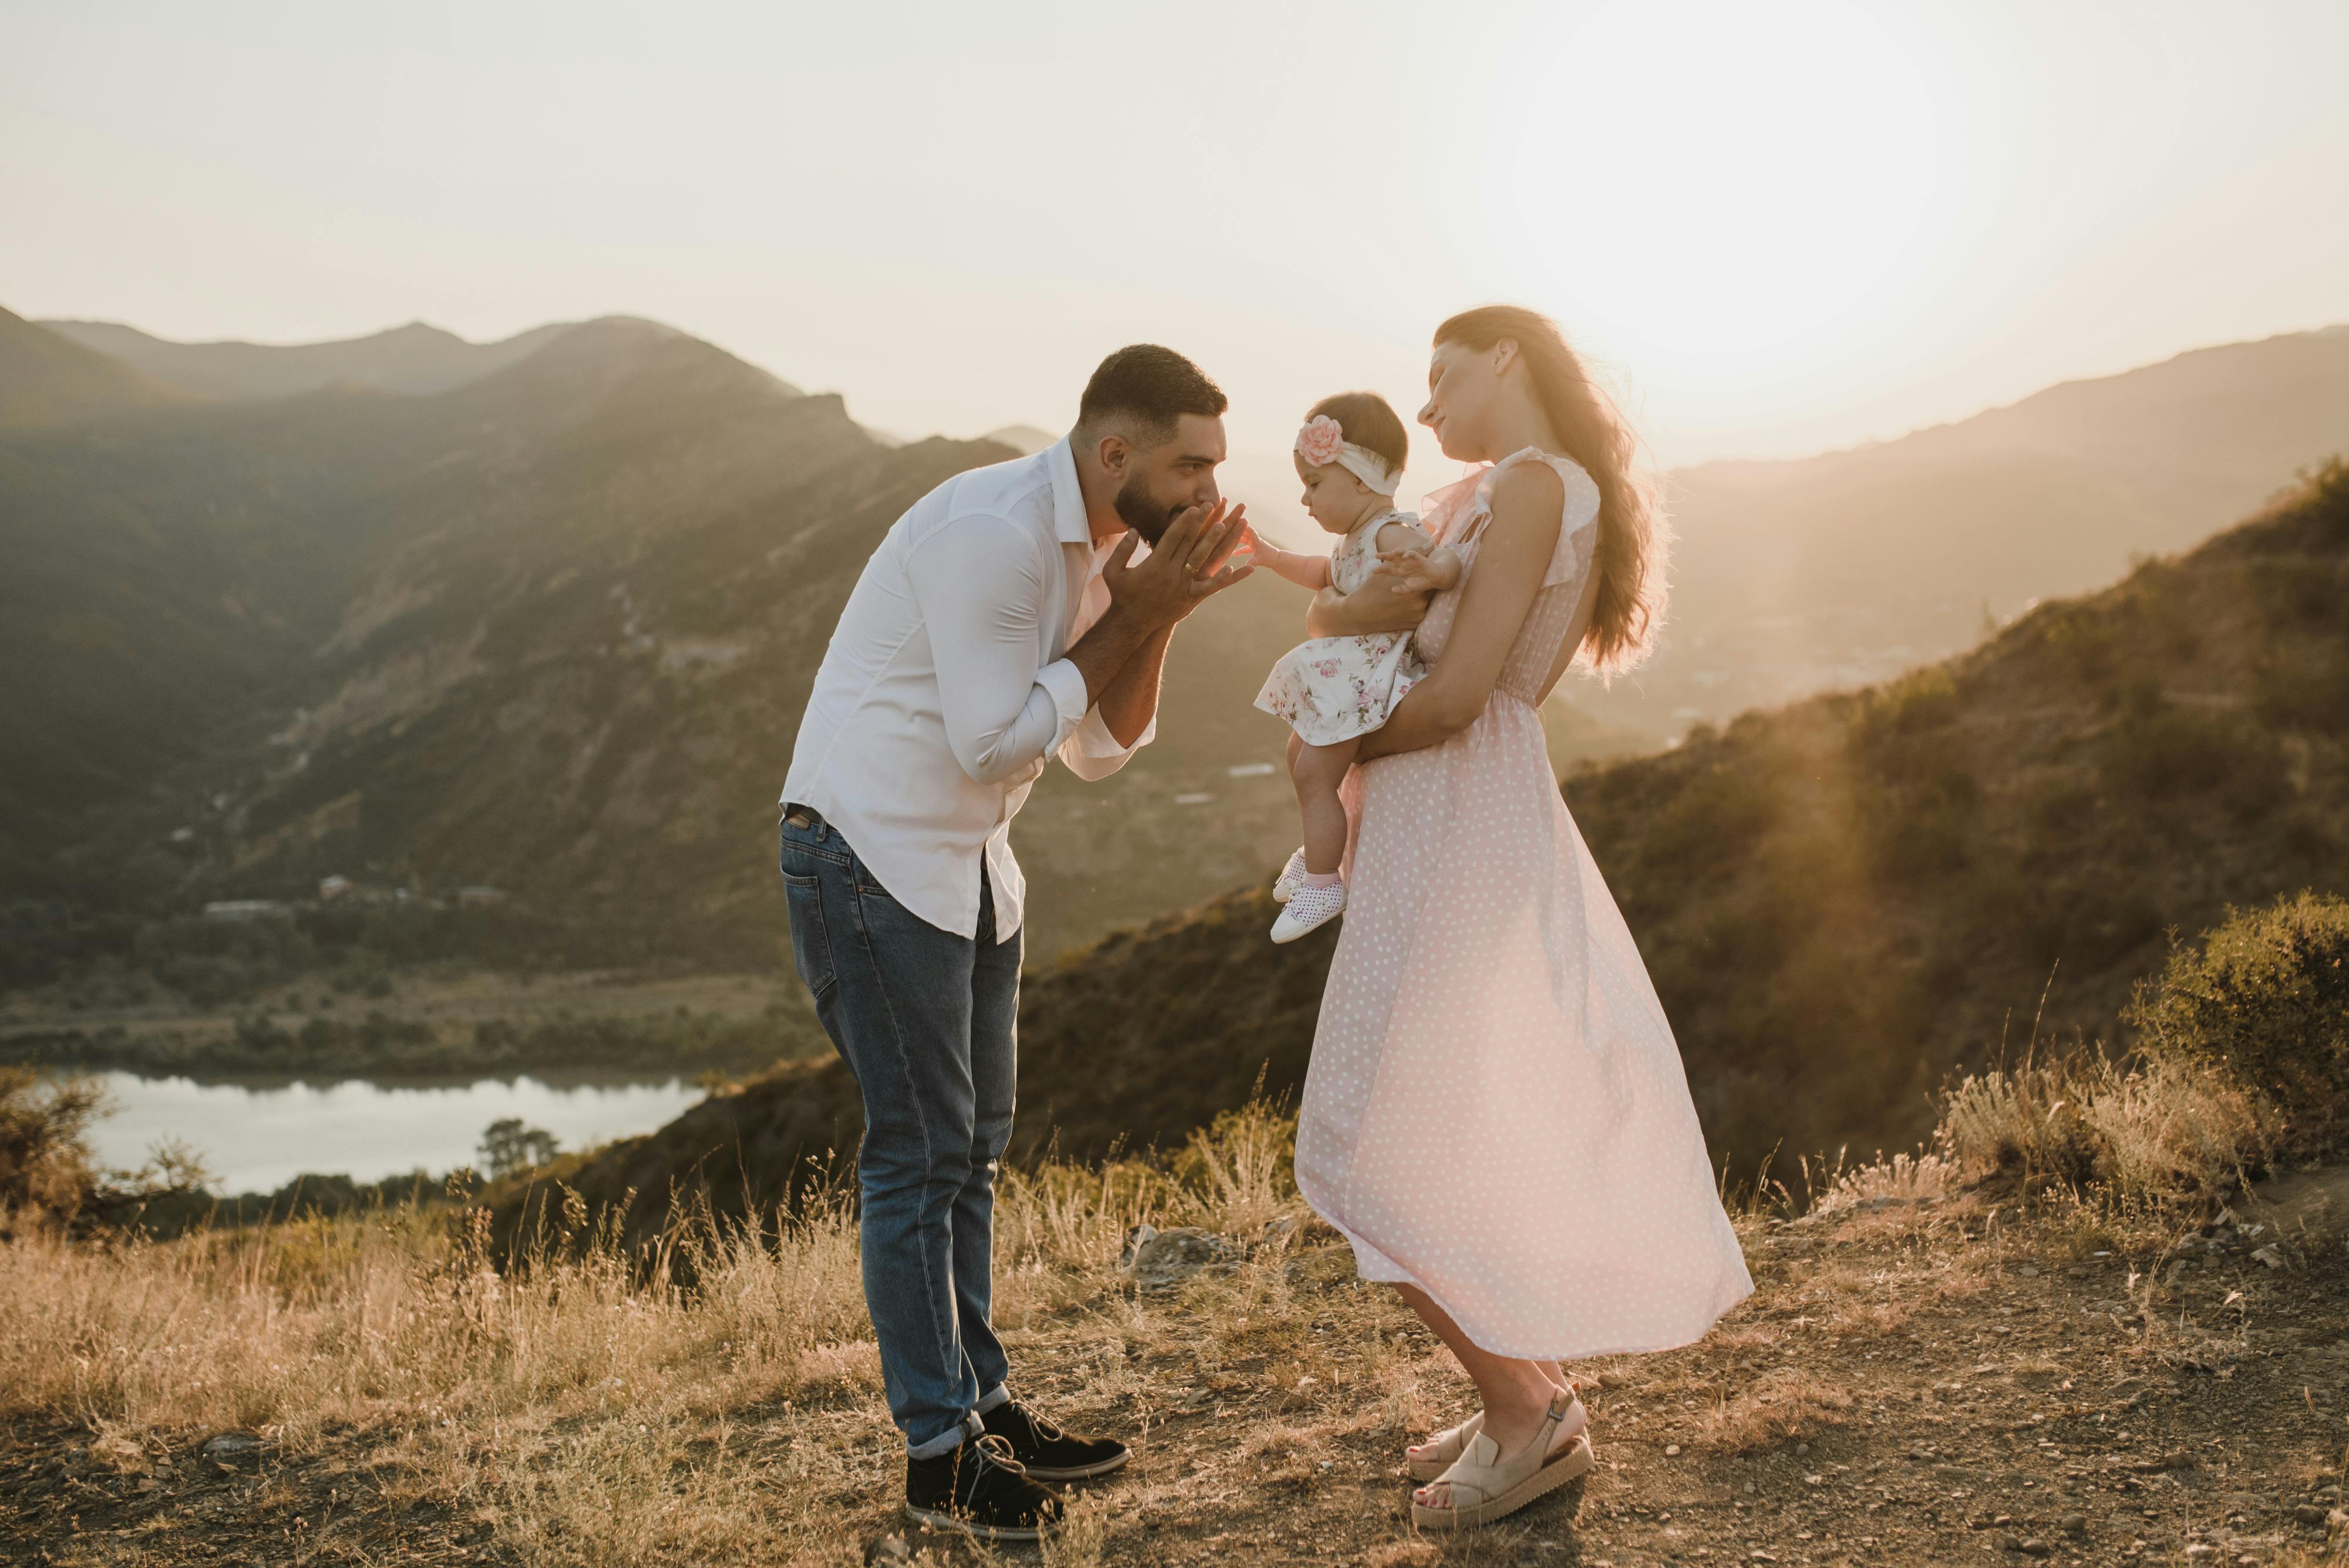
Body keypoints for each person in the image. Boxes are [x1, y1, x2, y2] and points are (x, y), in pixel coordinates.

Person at [778, 345, 1252, 1542]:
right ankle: (937, 1459)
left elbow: (1103, 742)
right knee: (914, 1153)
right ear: (1113, 454)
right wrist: (1134, 614)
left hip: (970, 867)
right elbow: (998, 740)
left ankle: (982, 1405)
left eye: (1213, 467)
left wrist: (1163, 614)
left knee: (975, 1148)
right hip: (869, 853)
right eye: (1189, 464)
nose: (1206, 489)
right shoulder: (992, 534)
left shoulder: (1102, 552)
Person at [1291, 306, 1754, 1532]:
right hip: (1444, 819)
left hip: (1452, 809)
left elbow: (1454, 699)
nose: (1426, 406)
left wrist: (1328, 748)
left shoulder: (1536, 487)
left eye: (1441, 377)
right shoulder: (1507, 490)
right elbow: (1396, 634)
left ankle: (1519, 1413)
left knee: (1348, 1134)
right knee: (1421, 1117)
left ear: (1506, 356)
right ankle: (1527, 1385)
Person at [1244, 393, 1460, 943]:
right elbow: (1322, 572)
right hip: (1351, 676)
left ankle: (1323, 881)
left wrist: (1431, 571)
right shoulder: (1352, 542)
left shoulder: (1389, 532)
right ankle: (1316, 847)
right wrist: (1271, 557)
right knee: (1300, 757)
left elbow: (1441, 557)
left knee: (1315, 772)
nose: (1304, 499)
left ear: (1362, 480)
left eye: (1315, 484)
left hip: (1374, 678)